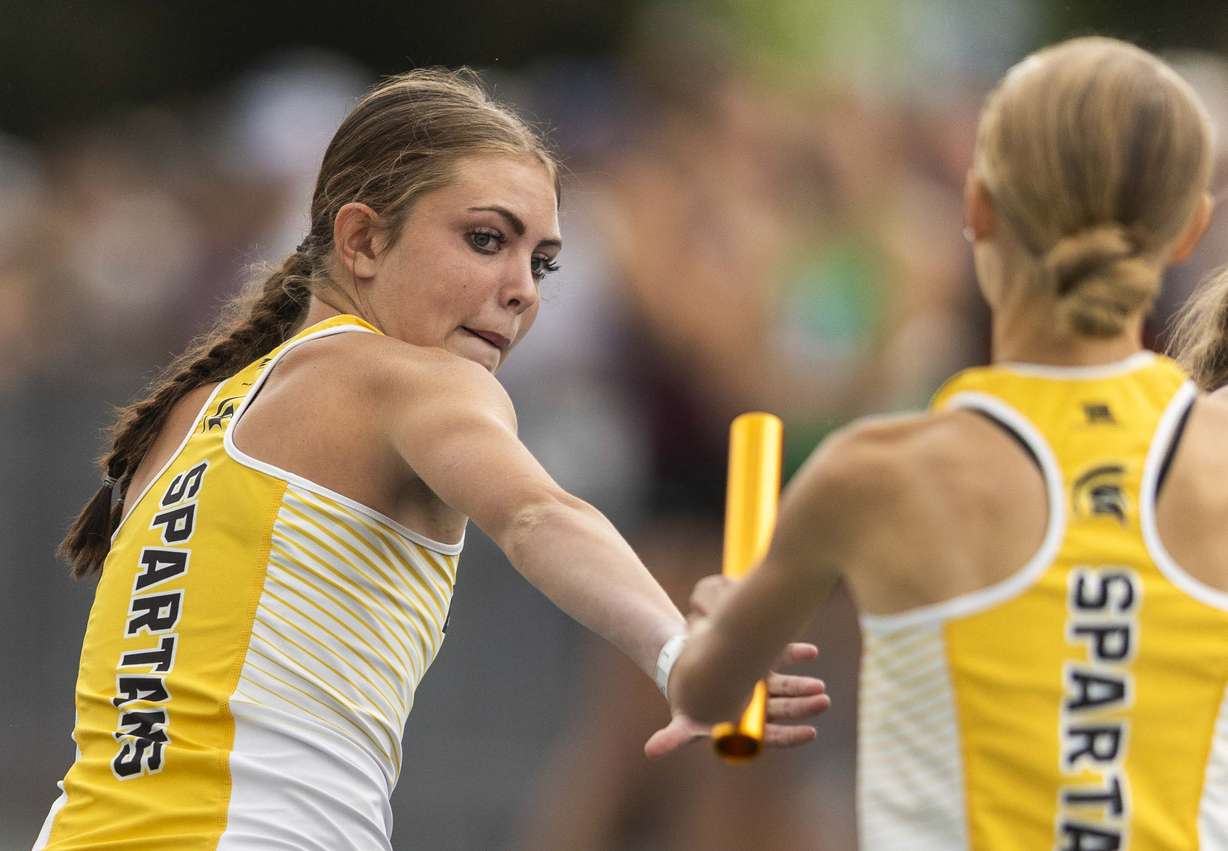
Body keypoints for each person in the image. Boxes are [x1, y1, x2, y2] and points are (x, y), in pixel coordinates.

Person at [34, 68, 829, 850]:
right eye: (487, 239)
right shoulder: (412, 380)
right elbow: (537, 513)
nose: (523, 289)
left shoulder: (191, 409)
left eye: (541, 260)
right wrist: (680, 651)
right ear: (364, 239)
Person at [668, 37, 1228, 850]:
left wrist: (716, 627)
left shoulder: (874, 473)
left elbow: (707, 692)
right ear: (1188, 233)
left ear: (976, 209)